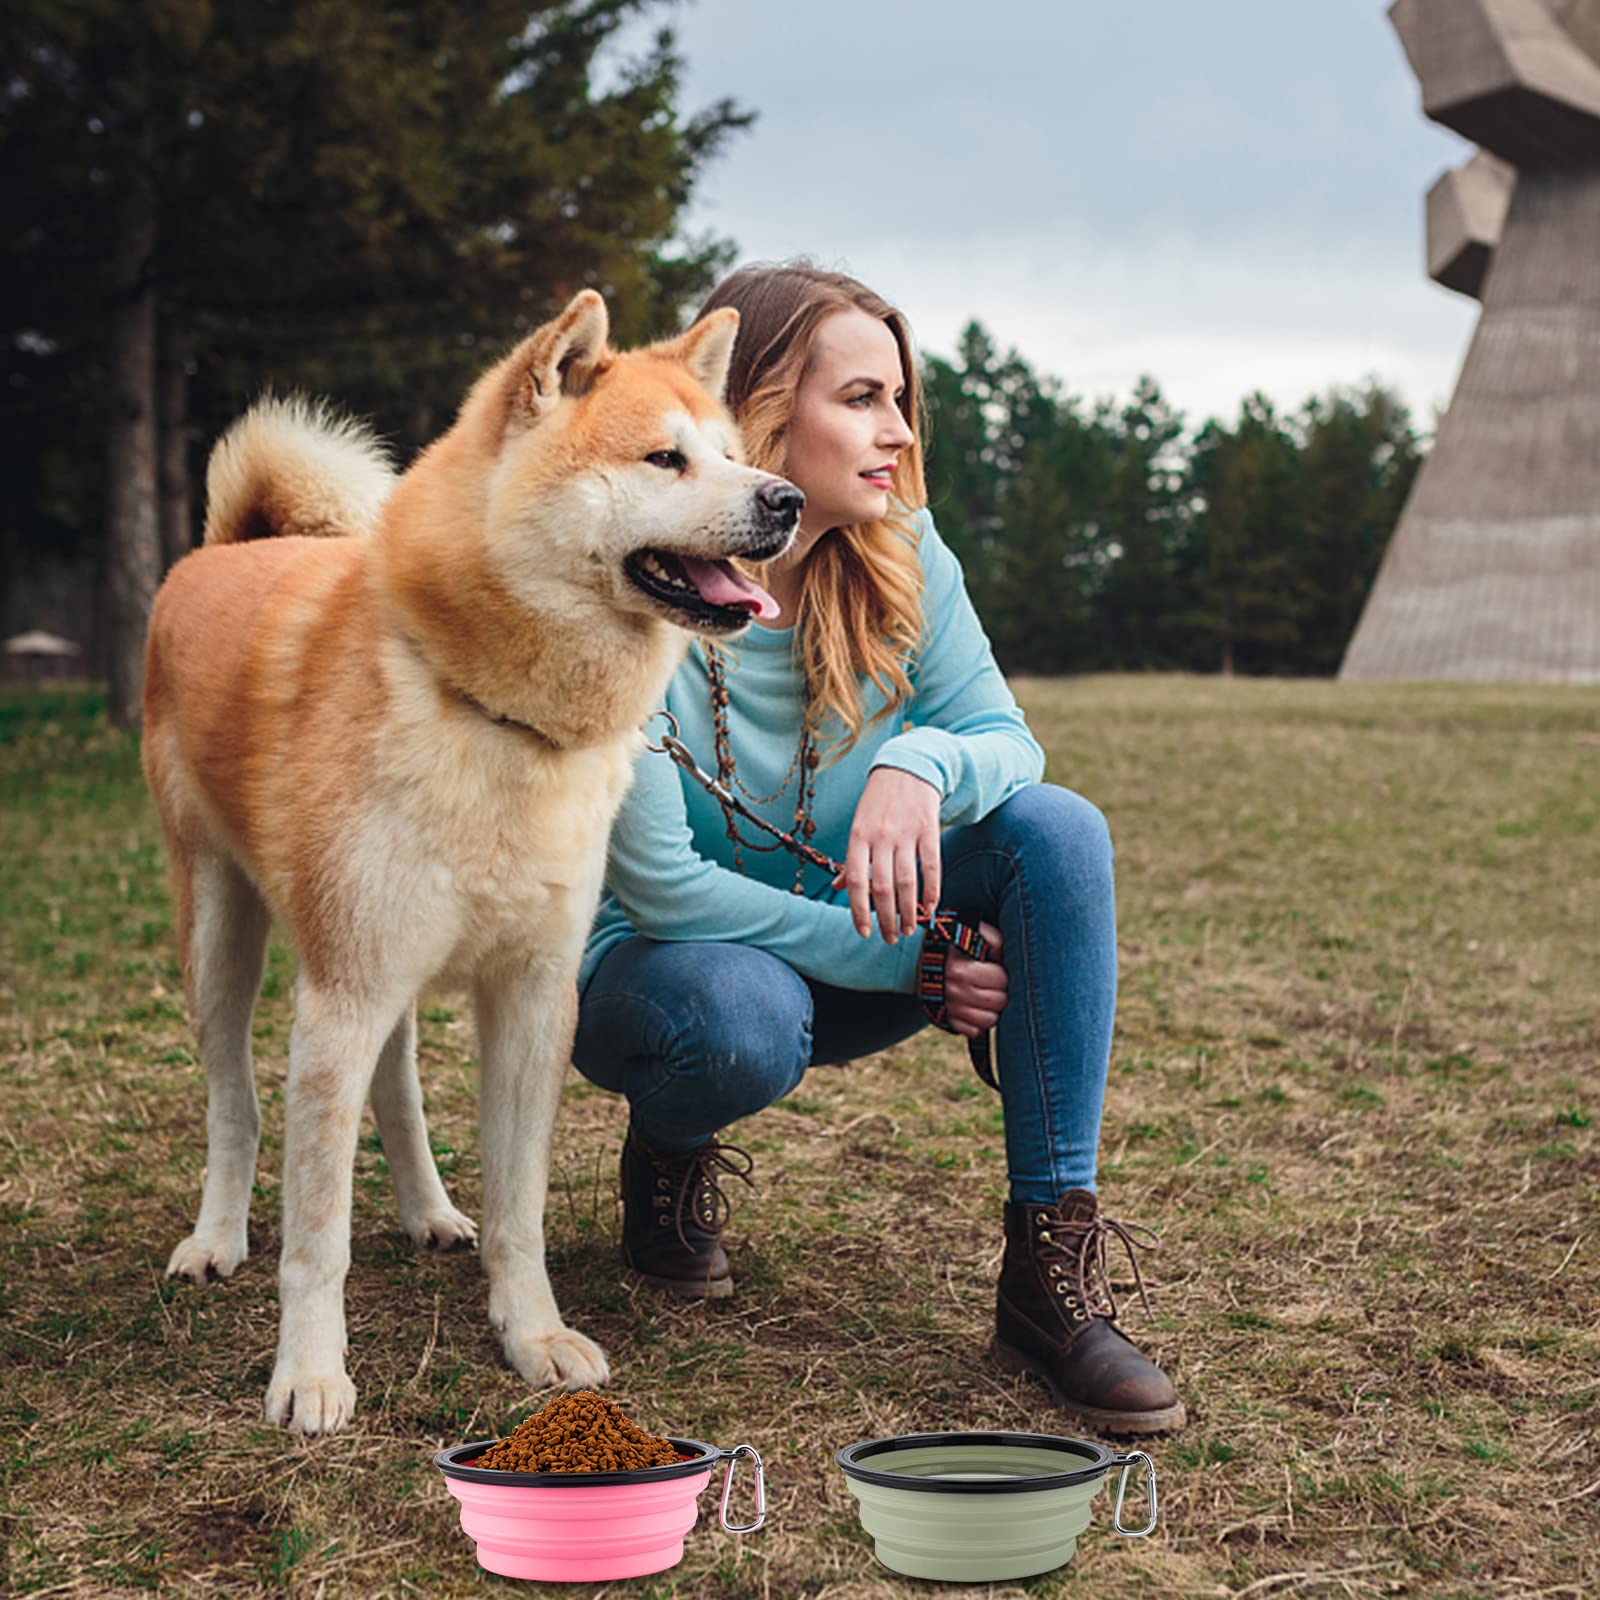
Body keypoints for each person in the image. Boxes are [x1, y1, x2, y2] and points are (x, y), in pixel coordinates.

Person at [573, 263, 1184, 1436]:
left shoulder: (901, 552)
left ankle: (1048, 1271)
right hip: (666, 977)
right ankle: (668, 1148)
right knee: (740, 1016)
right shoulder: (636, 577)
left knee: (1057, 830)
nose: (898, 433)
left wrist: (923, 765)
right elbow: (657, 882)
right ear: (758, 411)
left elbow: (1008, 738)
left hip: (855, 935)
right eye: (861, 398)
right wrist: (915, 962)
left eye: (901, 399)